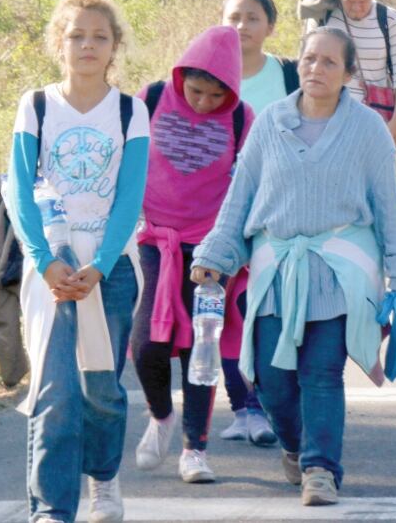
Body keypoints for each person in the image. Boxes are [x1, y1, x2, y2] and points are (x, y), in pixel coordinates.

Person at [191, 27, 396, 507]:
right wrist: (216, 256)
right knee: (272, 381)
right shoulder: (270, 123)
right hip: (277, 269)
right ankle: (296, 447)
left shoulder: (367, 131)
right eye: (309, 59)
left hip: (340, 269)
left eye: (329, 63)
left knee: (322, 371)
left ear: (348, 74)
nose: (316, 69)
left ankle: (321, 469)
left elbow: (388, 206)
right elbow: (241, 199)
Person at [6, 0, 149, 523]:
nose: (87, 45)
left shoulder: (131, 111)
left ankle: (105, 480)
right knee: (55, 392)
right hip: (50, 267)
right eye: (76, 35)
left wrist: (101, 265)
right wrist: (44, 261)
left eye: (99, 36)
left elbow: (131, 197)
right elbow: (18, 190)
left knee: (102, 391)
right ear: (58, 43)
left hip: (109, 271)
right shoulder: (37, 105)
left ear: (114, 47)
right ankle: (51, 510)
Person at [130, 26, 255, 484]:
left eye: (215, 94)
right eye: (197, 91)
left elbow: (251, 185)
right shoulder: (150, 98)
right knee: (147, 345)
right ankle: (161, 415)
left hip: (211, 250)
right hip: (154, 242)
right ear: (181, 76)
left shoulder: (243, 118)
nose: (204, 102)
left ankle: (194, 450)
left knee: (202, 348)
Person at [216, 0, 296, 445]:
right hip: (217, 210)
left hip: (276, 212)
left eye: (252, 18)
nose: (241, 26)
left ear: (270, 26)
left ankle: (271, 401)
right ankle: (243, 407)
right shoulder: (207, 73)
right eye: (233, 17)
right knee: (223, 312)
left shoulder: (286, 75)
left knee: (264, 309)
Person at [321, 0, 396, 151]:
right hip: (332, 117)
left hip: (376, 119)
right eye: (349, 2)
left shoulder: (390, 20)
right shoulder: (325, 16)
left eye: (363, 2)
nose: (356, 9)